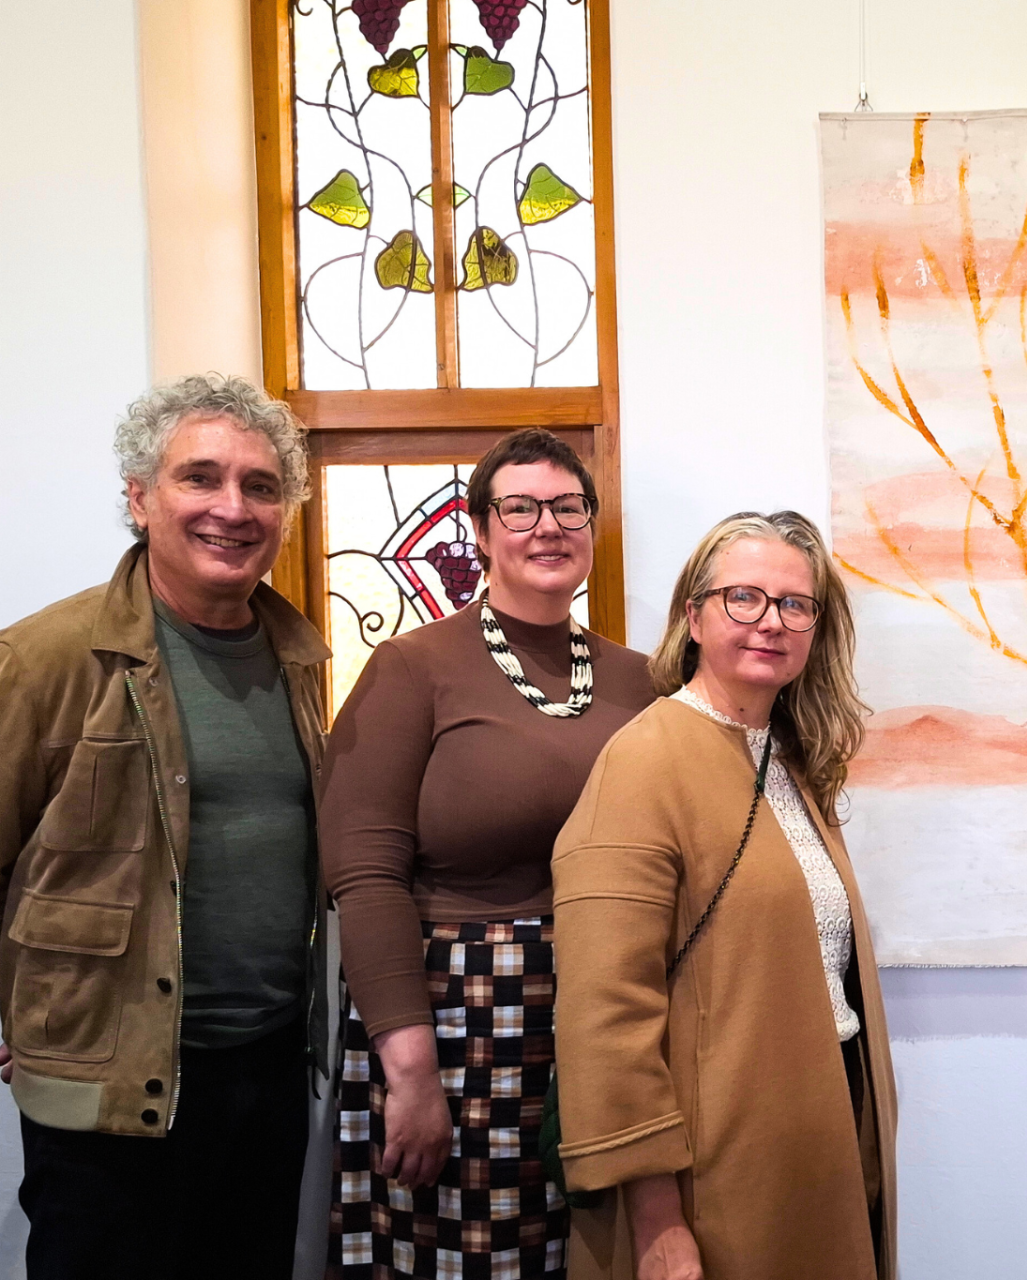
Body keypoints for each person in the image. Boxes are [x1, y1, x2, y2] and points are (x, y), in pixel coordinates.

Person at [0, 375, 329, 1277]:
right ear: (140, 497)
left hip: (266, 1072)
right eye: (201, 478)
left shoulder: (299, 656)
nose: (234, 508)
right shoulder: (46, 657)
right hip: (112, 1082)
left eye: (261, 486)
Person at [320, 429, 656, 1279]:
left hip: (600, 1009)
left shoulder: (640, 680)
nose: (548, 527)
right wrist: (411, 1071)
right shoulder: (411, 668)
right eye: (520, 508)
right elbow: (364, 874)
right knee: (467, 1258)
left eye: (568, 507)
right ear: (478, 529)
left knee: (583, 1254)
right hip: (455, 1021)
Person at [551, 510, 897, 1280]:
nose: (770, 621)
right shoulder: (643, 761)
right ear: (694, 616)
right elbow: (605, 1012)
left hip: (817, 1132)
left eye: (794, 604)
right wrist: (657, 1221)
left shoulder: (790, 760)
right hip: (711, 1171)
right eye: (743, 597)